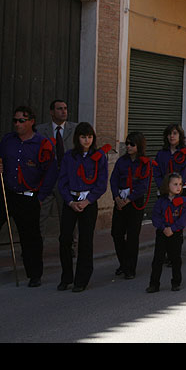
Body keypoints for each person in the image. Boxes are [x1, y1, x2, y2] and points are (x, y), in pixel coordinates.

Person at [0, 106, 58, 287]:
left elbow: (50, 172)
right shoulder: (8, 140)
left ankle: (34, 274)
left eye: (21, 121)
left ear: (31, 121)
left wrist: (40, 197)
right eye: (15, 120)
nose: (17, 124)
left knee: (30, 237)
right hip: (7, 193)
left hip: (29, 196)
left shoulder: (43, 143)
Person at [56, 122, 109, 292]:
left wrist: (88, 200)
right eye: (83, 137)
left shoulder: (99, 157)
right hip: (70, 201)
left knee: (85, 240)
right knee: (65, 239)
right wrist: (70, 201)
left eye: (89, 137)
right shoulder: (69, 156)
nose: (86, 140)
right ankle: (66, 277)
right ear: (77, 138)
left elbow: (101, 183)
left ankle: (82, 279)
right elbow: (62, 181)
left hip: (88, 202)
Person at [110, 131, 153, 279]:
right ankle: (123, 262)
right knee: (116, 233)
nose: (128, 146)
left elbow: (143, 185)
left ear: (139, 146)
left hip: (134, 202)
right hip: (120, 200)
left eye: (132, 144)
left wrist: (129, 199)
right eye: (127, 143)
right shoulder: (122, 161)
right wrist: (116, 197)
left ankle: (130, 268)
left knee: (133, 235)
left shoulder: (144, 163)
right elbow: (114, 179)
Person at [146, 173, 186, 293]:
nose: (178, 187)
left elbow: (183, 219)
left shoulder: (183, 202)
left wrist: (172, 229)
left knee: (175, 259)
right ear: (167, 186)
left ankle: (176, 282)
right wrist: (163, 228)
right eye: (175, 184)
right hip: (162, 233)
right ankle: (154, 284)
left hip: (176, 233)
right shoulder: (161, 201)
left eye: (180, 184)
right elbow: (156, 216)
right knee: (158, 259)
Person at [36, 99, 77, 236]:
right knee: (40, 216)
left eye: (65, 108)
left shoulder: (75, 129)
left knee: (67, 216)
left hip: (66, 180)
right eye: (59, 108)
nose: (64, 111)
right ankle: (35, 247)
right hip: (46, 179)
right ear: (51, 112)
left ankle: (71, 246)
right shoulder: (41, 130)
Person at [153, 124, 186, 197]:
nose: (171, 136)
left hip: (180, 190)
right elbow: (156, 172)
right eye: (169, 134)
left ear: (180, 135)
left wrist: (176, 186)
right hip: (164, 190)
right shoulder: (161, 154)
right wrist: (163, 186)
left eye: (175, 133)